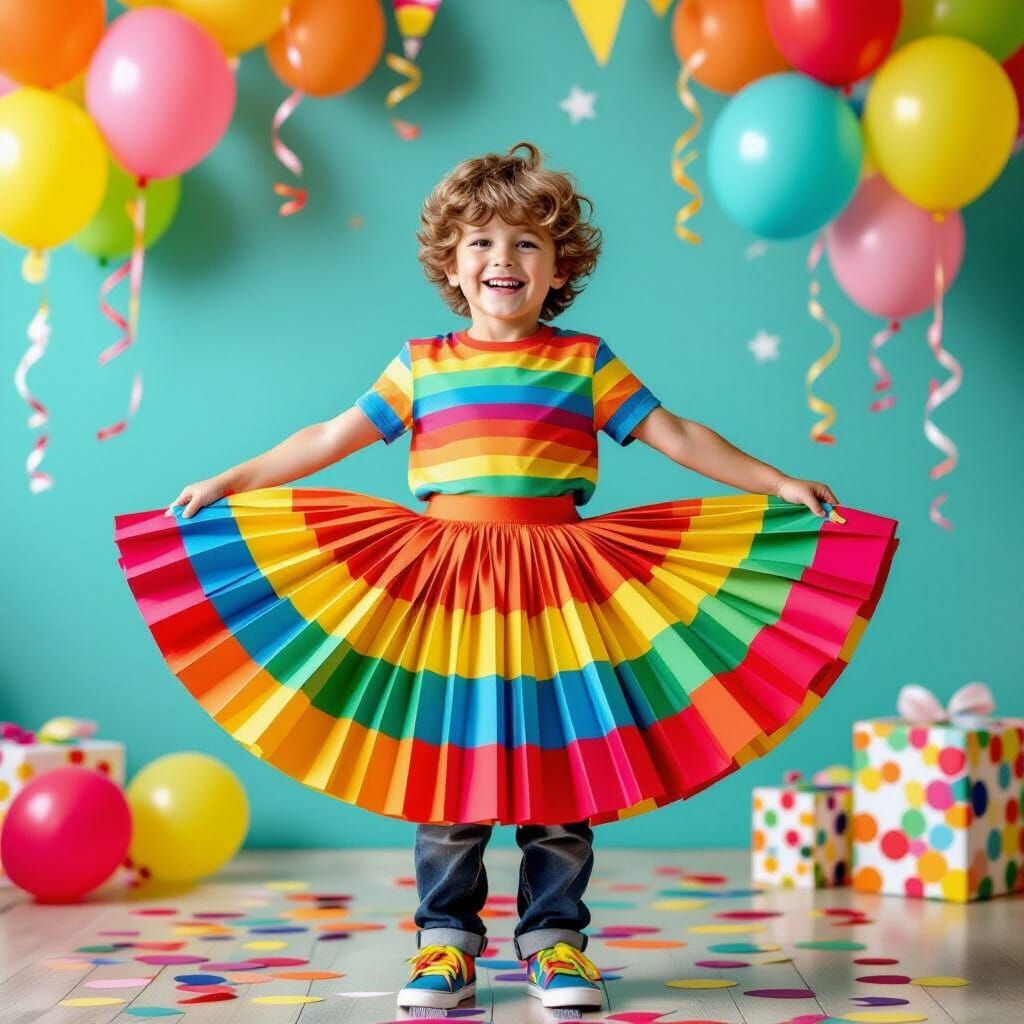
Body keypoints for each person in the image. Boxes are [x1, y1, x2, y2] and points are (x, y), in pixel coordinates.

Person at [114, 142, 898, 1013]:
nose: (503, 259)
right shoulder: (421, 363)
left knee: (561, 775)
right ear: (451, 261)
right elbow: (327, 437)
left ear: (560, 265)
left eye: (527, 243)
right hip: (446, 590)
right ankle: (444, 943)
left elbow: (679, 435)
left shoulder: (585, 362)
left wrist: (775, 481)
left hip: (561, 590)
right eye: (482, 242)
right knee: (455, 773)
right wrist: (232, 479)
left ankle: (555, 941)